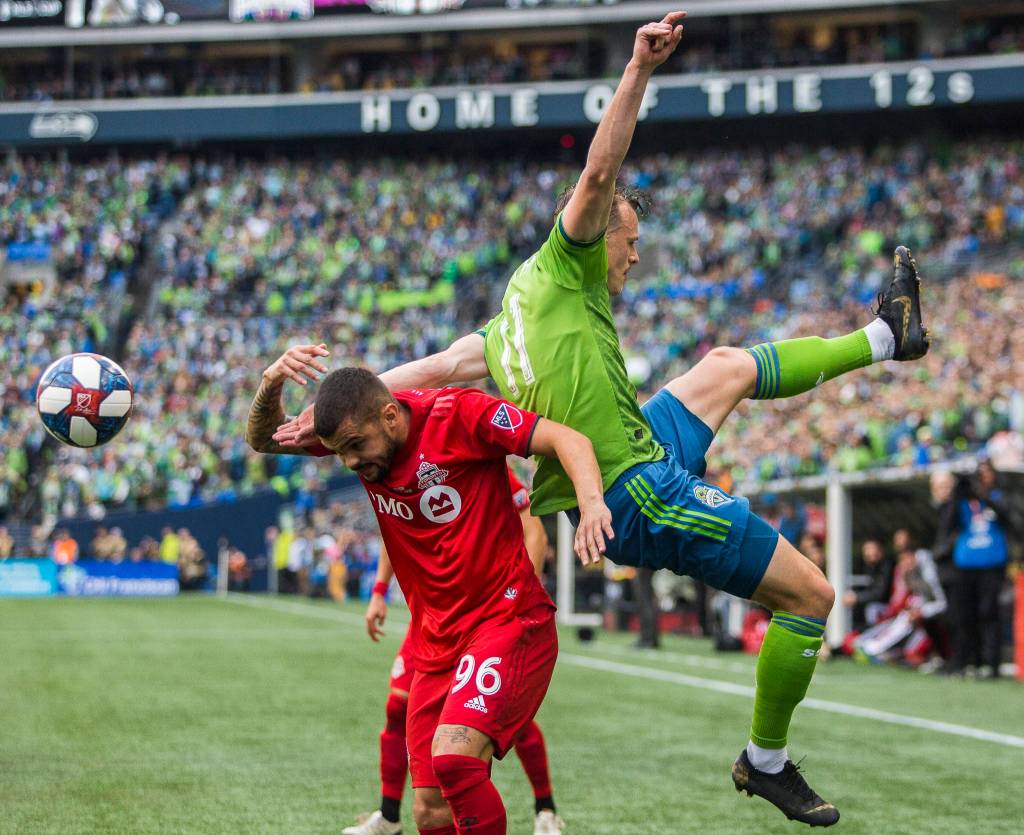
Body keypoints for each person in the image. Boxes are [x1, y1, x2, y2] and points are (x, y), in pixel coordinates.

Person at [273, 15, 930, 827]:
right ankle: (765, 760)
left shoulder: (506, 319)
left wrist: (319, 409)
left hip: (640, 442)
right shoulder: (568, 259)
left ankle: (883, 336)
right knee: (811, 594)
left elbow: (420, 376)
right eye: (631, 239)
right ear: (596, 234)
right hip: (629, 487)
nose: (636, 254)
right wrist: (638, 69)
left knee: (724, 365)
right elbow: (597, 173)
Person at [247, 347, 611, 835]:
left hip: (506, 620)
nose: (351, 462)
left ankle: (545, 806)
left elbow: (566, 438)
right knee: (429, 811)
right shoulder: (357, 435)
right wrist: (271, 382)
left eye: (356, 446)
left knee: (455, 760)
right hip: (435, 641)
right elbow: (265, 440)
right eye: (341, 453)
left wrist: (591, 505)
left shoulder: (460, 415)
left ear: (391, 414)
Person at [344, 465, 563, 835]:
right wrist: (379, 591)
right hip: (430, 620)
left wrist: (519, 597)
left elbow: (533, 527)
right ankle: (389, 815)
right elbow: (393, 533)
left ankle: (545, 808)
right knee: (399, 708)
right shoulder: (390, 468)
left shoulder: (467, 457)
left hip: (486, 617)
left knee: (492, 724)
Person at [938, 461, 1013, 678]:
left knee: (989, 613)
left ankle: (992, 665)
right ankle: (968, 661)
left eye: (984, 474)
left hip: (992, 564)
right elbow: (946, 524)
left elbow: (1009, 517)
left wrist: (982, 493)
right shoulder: (961, 501)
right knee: (964, 615)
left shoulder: (998, 496)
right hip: (965, 566)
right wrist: (958, 491)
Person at [841, 539, 894, 631]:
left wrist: (857, 597)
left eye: (872, 549)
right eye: (866, 550)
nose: (869, 553)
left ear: (880, 551)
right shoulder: (866, 566)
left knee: (871, 609)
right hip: (869, 605)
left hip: (886, 605)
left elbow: (880, 593)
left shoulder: (887, 566)